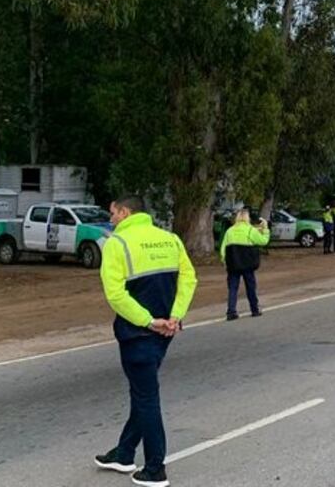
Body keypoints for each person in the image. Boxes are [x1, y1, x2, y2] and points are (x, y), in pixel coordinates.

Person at [94, 195, 197, 487]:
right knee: (143, 392)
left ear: (125, 212)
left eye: (112, 212)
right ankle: (124, 453)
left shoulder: (117, 243)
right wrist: (175, 317)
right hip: (166, 332)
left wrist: (149, 321)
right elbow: (189, 279)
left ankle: (155, 468)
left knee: (146, 397)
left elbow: (115, 295)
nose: (110, 218)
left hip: (139, 333)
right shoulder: (170, 239)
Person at [219, 208, 270, 320]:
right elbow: (263, 241)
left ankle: (231, 311)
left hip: (233, 264)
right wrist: (265, 229)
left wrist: (224, 261)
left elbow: (223, 248)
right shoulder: (250, 230)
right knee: (250, 287)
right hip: (248, 263)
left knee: (233, 288)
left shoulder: (230, 231)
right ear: (248, 218)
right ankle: (254, 309)